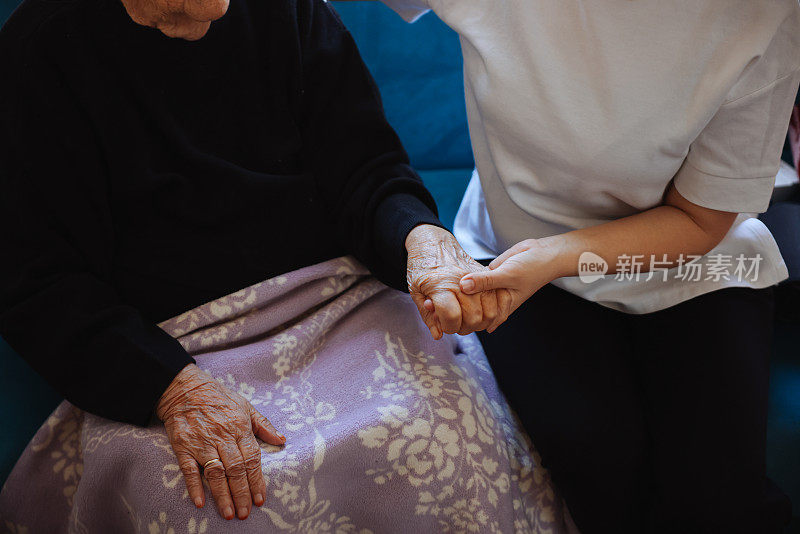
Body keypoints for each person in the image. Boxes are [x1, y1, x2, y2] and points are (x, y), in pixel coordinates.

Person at [0, 0, 509, 521]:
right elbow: (39, 280)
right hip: (166, 351)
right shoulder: (39, 50)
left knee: (456, 433)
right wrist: (170, 389)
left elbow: (368, 170)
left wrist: (419, 238)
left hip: (342, 298)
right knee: (206, 503)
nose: (224, 6)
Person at [376, 0, 800, 532]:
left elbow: (698, 220)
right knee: (598, 461)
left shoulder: (763, 15)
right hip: (517, 250)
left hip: (692, 262)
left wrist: (556, 256)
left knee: (717, 499)